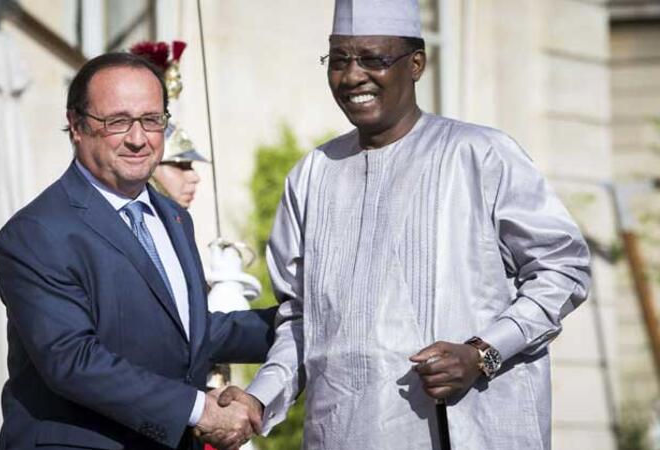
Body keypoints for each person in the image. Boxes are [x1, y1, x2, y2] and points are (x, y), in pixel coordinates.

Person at [217, 0, 592, 448]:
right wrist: (258, 399)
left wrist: (483, 353)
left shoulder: (480, 154)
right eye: (339, 60)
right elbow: (300, 321)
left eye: (373, 59)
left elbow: (562, 270)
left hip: (467, 430)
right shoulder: (312, 174)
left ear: (416, 64)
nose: (352, 76)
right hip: (343, 433)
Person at [0, 52, 273, 450]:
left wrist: (298, 323)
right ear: (76, 125)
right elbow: (73, 360)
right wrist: (199, 409)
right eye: (118, 121)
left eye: (152, 120)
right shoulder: (36, 232)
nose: (138, 138)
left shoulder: (173, 217)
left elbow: (186, 333)